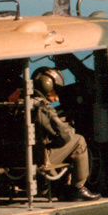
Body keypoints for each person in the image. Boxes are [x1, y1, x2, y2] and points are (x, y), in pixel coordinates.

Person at [30, 67, 96, 201]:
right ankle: (78, 188)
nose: (56, 98)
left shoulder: (22, 104)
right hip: (38, 158)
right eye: (55, 91)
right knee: (78, 141)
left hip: (20, 157)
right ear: (47, 87)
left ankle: (58, 186)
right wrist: (69, 126)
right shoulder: (42, 108)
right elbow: (66, 136)